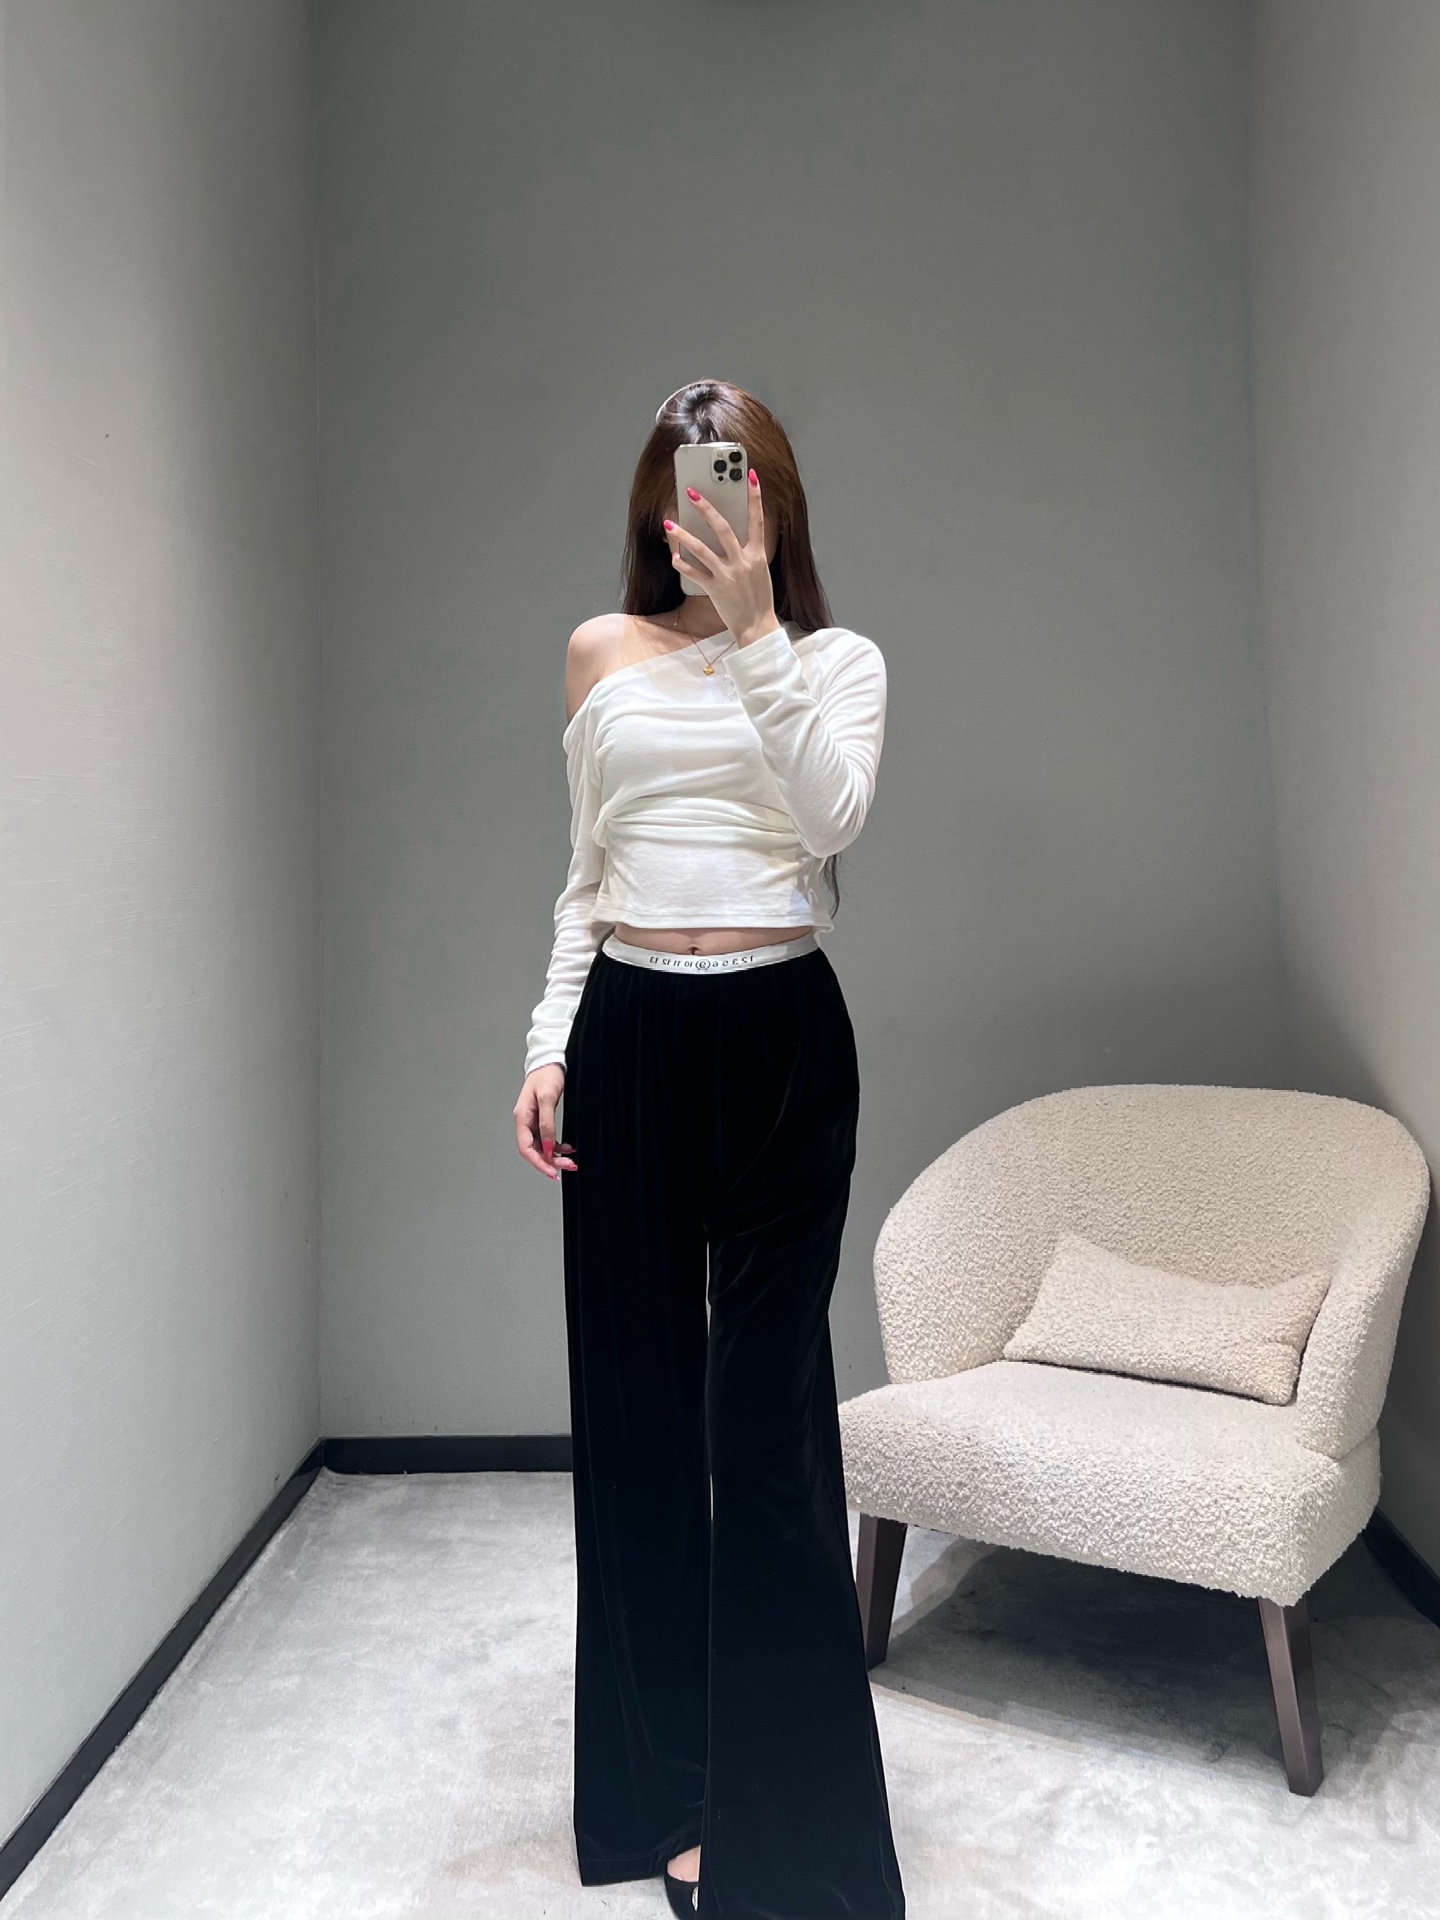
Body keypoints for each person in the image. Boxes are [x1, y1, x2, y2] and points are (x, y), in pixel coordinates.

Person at [513, 379, 905, 1920]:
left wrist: (756, 637)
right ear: (653, 506)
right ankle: (665, 1795)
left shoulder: (836, 662)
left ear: (773, 503)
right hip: (628, 1031)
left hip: (780, 1038)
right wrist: (549, 1043)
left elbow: (833, 819)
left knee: (767, 1429)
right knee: (636, 1418)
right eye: (682, 486)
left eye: (734, 484)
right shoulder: (597, 652)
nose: (705, 510)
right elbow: (586, 874)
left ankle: (792, 1822)